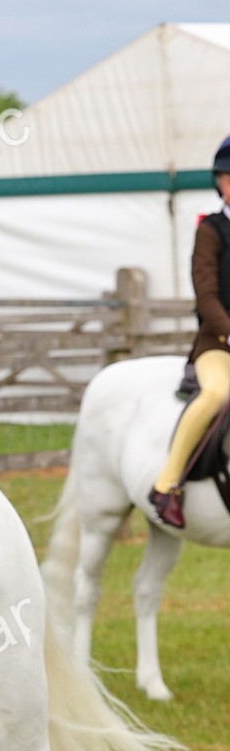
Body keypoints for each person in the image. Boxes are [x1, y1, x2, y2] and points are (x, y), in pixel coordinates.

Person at [149, 135, 230, 529]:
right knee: (216, 393)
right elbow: (206, 295)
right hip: (218, 344)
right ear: (220, 182)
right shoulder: (211, 230)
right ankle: (167, 485)